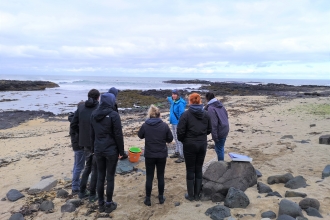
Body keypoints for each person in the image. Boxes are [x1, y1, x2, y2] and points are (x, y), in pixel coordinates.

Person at [90, 92, 125, 213]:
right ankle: (108, 203)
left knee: (100, 176)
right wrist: (122, 151)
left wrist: (93, 149)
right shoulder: (114, 115)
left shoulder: (94, 114)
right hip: (110, 151)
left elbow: (92, 134)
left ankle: (101, 203)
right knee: (109, 177)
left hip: (99, 150)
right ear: (110, 102)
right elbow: (118, 135)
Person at [177, 93, 211, 201]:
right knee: (198, 169)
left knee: (190, 169)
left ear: (190, 102)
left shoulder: (185, 115)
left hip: (190, 145)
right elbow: (209, 130)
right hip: (201, 144)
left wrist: (185, 140)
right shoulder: (206, 114)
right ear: (200, 101)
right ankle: (196, 195)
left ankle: (191, 195)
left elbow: (180, 133)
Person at [137, 105, 173, 206]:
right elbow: (170, 139)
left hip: (150, 154)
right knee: (160, 175)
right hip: (161, 154)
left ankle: (148, 198)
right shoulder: (164, 125)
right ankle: (161, 197)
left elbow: (140, 135)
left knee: (149, 176)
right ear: (158, 114)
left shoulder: (145, 125)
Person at [70, 89, 100, 201]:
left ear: (88, 96)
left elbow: (73, 124)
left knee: (87, 167)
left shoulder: (81, 108)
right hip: (96, 142)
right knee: (94, 168)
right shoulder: (99, 108)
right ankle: (92, 194)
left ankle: (82, 192)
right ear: (98, 97)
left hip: (84, 142)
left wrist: (81, 134)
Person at [205, 92, 229, 161]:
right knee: (220, 147)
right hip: (225, 128)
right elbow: (226, 116)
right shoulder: (220, 105)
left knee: (219, 149)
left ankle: (221, 164)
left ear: (207, 99)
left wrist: (214, 137)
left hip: (220, 130)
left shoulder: (211, 108)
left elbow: (213, 123)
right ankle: (221, 162)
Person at [108, 87, 128, 160]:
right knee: (116, 138)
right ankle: (121, 154)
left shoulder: (105, 102)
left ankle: (121, 153)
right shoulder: (112, 104)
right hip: (112, 126)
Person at [167, 89, 186, 163]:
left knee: (179, 140)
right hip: (173, 123)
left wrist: (181, 125)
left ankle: (182, 156)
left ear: (178, 95)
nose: (173, 95)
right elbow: (170, 99)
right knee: (175, 138)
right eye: (172, 94)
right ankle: (177, 152)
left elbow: (182, 115)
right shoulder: (173, 101)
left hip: (178, 124)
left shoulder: (180, 103)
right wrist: (168, 97)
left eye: (175, 94)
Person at [68, 110, 83, 196]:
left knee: (77, 165)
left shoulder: (73, 119)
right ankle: (75, 187)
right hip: (79, 146)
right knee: (79, 167)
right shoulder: (77, 122)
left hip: (76, 145)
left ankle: (76, 183)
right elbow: (78, 135)